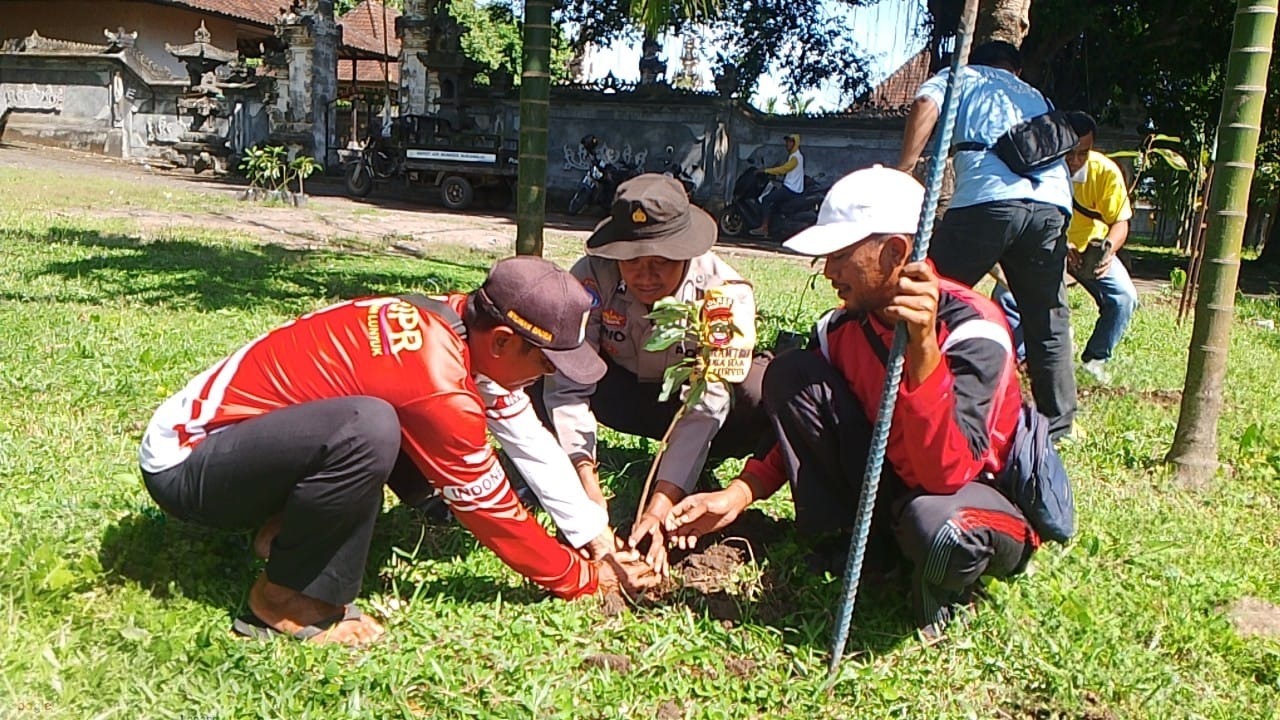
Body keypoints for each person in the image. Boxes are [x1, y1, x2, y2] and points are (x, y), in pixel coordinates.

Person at [138, 257, 659, 647]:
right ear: (502, 341)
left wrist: (596, 539)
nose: (543, 378)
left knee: (372, 421)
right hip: (189, 466)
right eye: (545, 364)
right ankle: (283, 602)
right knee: (368, 428)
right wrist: (580, 580)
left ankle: (286, 530)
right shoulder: (436, 380)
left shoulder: (453, 320)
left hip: (239, 448)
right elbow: (488, 509)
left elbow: (525, 432)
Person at [665, 167, 1041, 637]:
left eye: (840, 256)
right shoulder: (839, 330)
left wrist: (924, 350)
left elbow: (944, 475)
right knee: (790, 373)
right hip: (893, 486)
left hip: (965, 497)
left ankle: (939, 587)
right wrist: (738, 494)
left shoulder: (973, 330)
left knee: (938, 528)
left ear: (895, 251)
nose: (829, 272)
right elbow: (796, 428)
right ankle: (863, 549)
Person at [540, 173, 772, 576]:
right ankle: (543, 474)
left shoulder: (724, 294)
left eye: (661, 263)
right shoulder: (592, 276)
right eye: (632, 262)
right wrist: (584, 480)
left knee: (759, 389)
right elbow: (567, 384)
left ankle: (690, 474)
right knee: (535, 363)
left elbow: (706, 405)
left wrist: (660, 506)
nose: (645, 277)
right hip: (620, 394)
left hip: (691, 406)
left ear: (686, 252)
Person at [897, 40, 1077, 440]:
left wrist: (904, 168)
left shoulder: (962, 76)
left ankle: (903, 382)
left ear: (975, 61)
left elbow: (925, 104)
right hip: (1051, 206)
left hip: (988, 200)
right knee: (1047, 318)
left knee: (930, 292)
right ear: (1016, 69)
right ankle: (1058, 426)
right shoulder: (1035, 95)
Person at [994, 112, 1137, 384]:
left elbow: (1121, 222)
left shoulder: (1105, 173)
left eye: (1083, 154)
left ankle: (1095, 361)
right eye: (1070, 153)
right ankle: (1021, 360)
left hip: (1086, 254)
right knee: (1006, 296)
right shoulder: (1037, 167)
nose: (1075, 161)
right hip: (1044, 249)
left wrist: (1107, 250)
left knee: (1124, 298)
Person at [749, 133, 805, 237]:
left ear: (795, 143)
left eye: (790, 142)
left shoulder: (795, 157)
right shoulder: (795, 156)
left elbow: (784, 169)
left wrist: (765, 171)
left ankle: (764, 227)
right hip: (791, 187)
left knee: (766, 199)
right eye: (787, 142)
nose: (787, 144)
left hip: (791, 189)